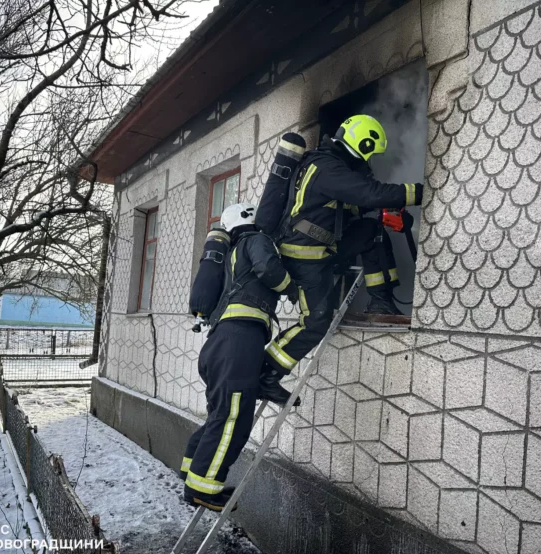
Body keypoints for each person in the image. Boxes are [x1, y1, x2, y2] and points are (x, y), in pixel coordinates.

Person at [261, 114, 424, 399]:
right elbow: (369, 193)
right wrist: (421, 192)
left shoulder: (325, 164)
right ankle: (267, 374)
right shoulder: (327, 168)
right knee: (316, 323)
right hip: (304, 258)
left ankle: (381, 301)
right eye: (369, 154)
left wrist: (383, 213)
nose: (368, 162)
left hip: (321, 250)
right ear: (362, 144)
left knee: (371, 231)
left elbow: (343, 207)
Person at [181, 202, 298, 512]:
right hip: (239, 341)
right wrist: (293, 288)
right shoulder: (255, 239)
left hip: (220, 344)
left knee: (220, 414)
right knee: (232, 418)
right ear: (250, 219)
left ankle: (192, 469)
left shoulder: (230, 254)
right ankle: (202, 489)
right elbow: (268, 269)